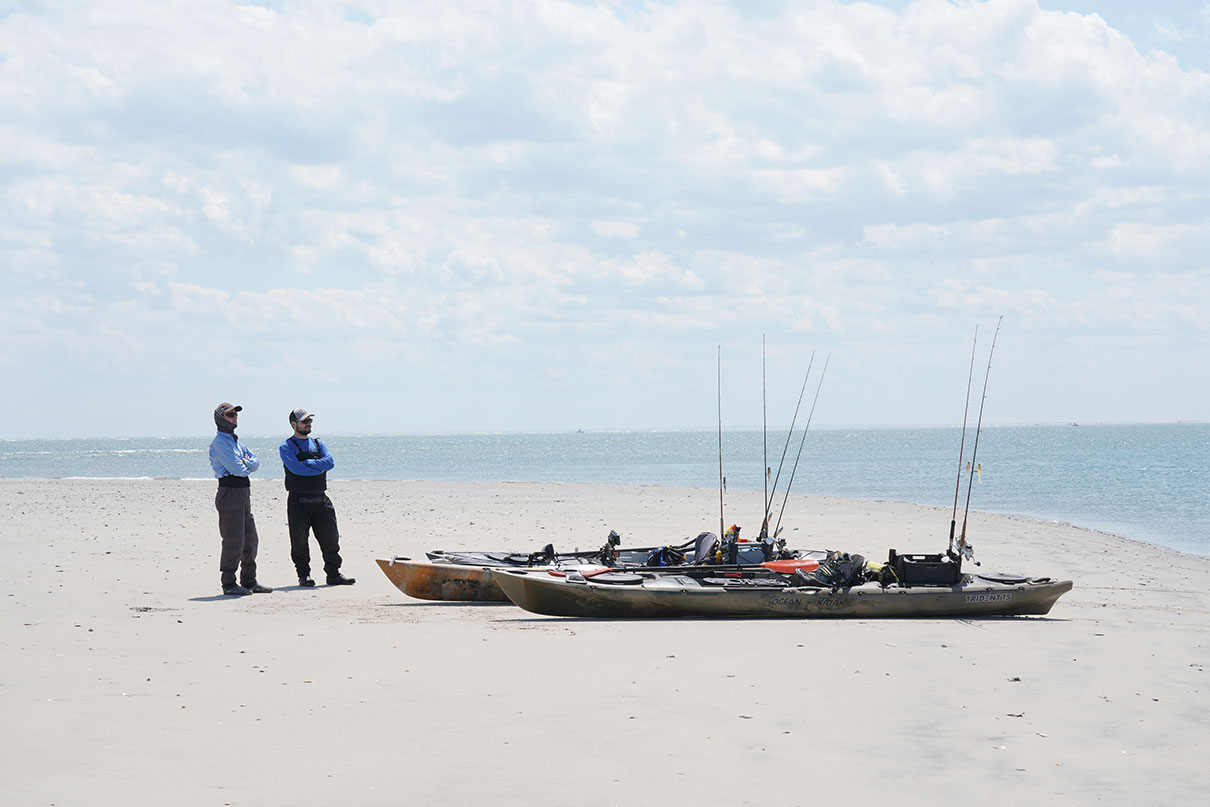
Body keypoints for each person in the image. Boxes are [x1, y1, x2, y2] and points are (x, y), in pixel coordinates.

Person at [279, 408, 355, 587]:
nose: (308, 423)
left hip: (321, 498)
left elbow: (330, 463)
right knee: (299, 542)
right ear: (293, 424)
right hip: (298, 500)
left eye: (310, 421)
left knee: (331, 539)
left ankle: (333, 574)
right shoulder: (286, 446)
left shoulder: (319, 445)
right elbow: (296, 469)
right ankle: (303, 576)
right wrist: (317, 467)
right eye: (304, 421)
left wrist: (309, 463)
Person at [208, 403, 273, 596]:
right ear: (220, 418)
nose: (234, 418)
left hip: (243, 493)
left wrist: (245, 463)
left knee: (250, 539)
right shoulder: (220, 443)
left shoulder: (236, 442)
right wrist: (245, 464)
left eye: (235, 415)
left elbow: (255, 462)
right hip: (229, 492)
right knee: (233, 540)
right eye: (229, 415)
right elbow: (238, 470)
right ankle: (228, 583)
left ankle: (249, 581)